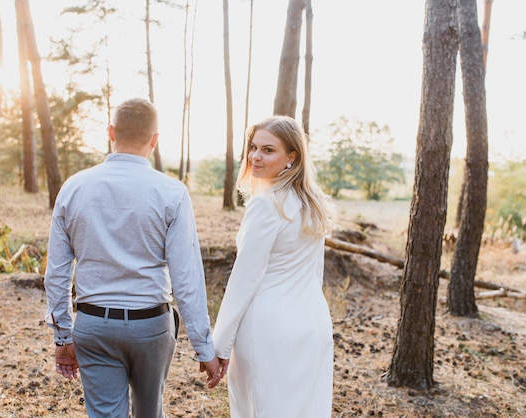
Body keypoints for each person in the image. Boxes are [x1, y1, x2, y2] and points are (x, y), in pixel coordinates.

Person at [44, 98, 225, 418]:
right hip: (151, 326)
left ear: (111, 132)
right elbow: (187, 280)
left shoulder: (74, 188)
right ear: (154, 140)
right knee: (149, 413)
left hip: (93, 325)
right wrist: (204, 348)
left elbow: (56, 273)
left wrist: (63, 336)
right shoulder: (172, 193)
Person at [212, 115, 334, 417]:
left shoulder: (266, 204)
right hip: (313, 324)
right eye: (253, 147)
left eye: (268, 150)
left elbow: (244, 278)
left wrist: (218, 345)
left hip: (268, 329)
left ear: (292, 157)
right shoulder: (312, 203)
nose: (255, 156)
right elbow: (315, 275)